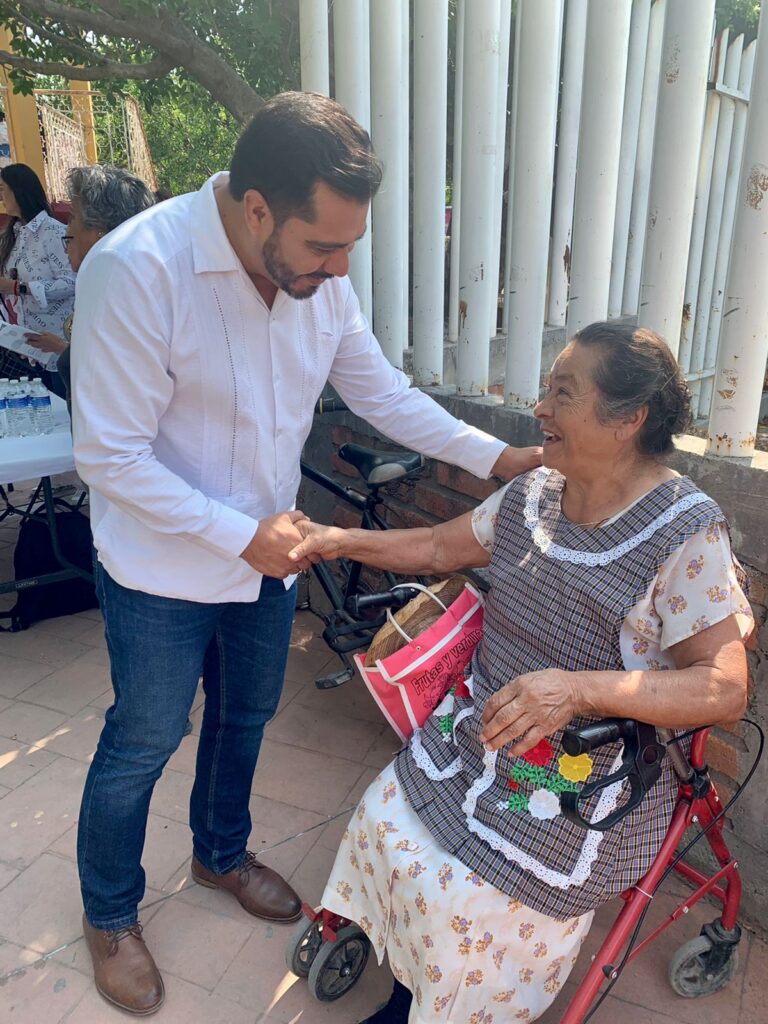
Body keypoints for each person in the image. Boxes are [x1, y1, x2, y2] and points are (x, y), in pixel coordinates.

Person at [70, 90, 540, 1016]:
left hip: (271, 559)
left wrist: (497, 456)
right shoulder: (137, 269)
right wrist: (239, 534)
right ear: (256, 210)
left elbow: (383, 393)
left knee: (245, 717)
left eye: (350, 246)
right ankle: (110, 912)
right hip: (160, 569)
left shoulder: (318, 279)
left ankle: (220, 853)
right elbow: (109, 456)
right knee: (144, 738)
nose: (340, 267)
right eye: (325, 246)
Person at [288, 322, 752, 1024]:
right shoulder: (536, 491)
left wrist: (577, 689)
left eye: (563, 393)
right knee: (384, 818)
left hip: (581, 774)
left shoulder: (685, 531)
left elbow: (724, 687)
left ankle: (433, 1002)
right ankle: (412, 978)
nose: (540, 409)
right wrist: (335, 539)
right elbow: (439, 546)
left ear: (628, 418)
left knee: (469, 897)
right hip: (480, 732)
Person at [24, 165, 155, 408]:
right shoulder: (111, 283)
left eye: (73, 218)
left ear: (99, 232)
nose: (67, 229)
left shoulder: (126, 292)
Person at [0, 163, 74, 379]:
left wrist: (18, 287)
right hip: (22, 344)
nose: (1, 197)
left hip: (54, 344)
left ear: (19, 191)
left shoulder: (55, 232)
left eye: (2, 189)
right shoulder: (13, 235)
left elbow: (71, 282)